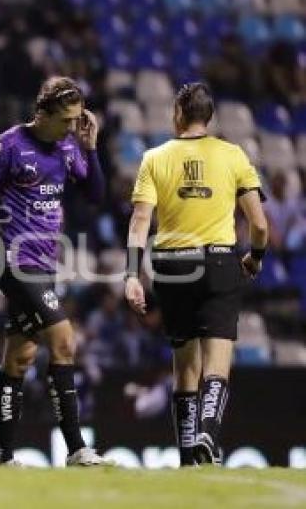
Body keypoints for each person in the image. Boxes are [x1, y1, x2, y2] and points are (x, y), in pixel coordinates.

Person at [0, 76, 111, 466]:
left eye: (75, 120)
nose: (71, 127)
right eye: (66, 120)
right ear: (44, 113)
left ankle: (1, 456)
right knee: (65, 340)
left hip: (46, 264)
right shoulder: (9, 145)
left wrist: (91, 148)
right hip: (15, 262)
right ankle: (76, 448)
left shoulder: (69, 144)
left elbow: (96, 194)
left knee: (19, 358)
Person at [123, 83, 268, 466]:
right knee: (217, 361)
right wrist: (254, 258)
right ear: (210, 117)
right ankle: (208, 433)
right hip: (220, 262)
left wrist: (131, 275)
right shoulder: (234, 155)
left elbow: (140, 221)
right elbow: (260, 225)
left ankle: (188, 455)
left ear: (178, 113)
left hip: (171, 265)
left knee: (184, 364)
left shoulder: (154, 158)